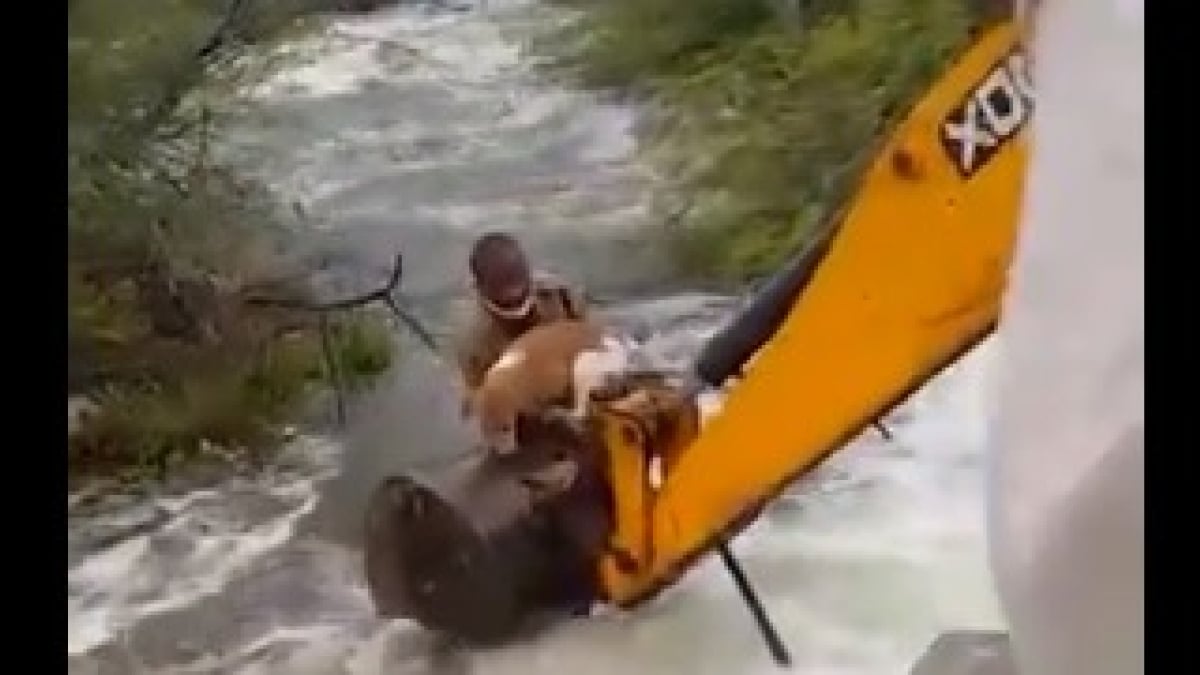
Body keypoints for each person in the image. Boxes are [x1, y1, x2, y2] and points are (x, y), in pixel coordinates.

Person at [454, 232, 589, 393]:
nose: (515, 295)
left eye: (519, 285)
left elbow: (593, 334)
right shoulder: (471, 338)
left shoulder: (561, 295)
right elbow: (477, 400)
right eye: (501, 287)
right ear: (480, 286)